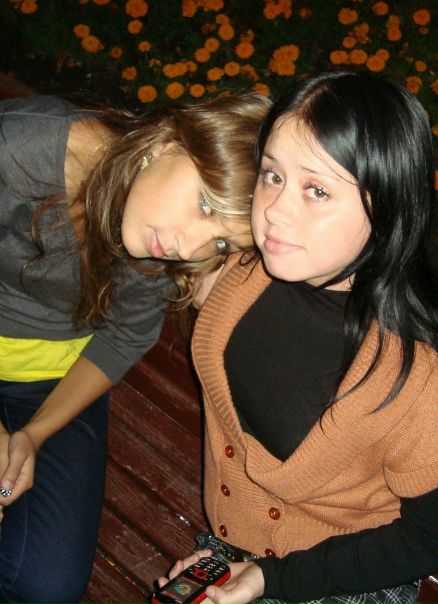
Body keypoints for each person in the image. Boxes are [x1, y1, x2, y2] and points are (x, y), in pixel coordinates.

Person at [159, 70, 438, 604]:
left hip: (345, 575)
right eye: (272, 175)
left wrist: (270, 578)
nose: (275, 209)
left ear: (387, 206)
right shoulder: (241, 273)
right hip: (232, 549)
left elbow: (427, 539)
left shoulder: (414, 384)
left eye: (317, 190)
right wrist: (228, 561)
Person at [0, 90, 270, 604]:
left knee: (46, 586)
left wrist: (32, 436)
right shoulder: (23, 146)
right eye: (206, 204)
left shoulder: (164, 243)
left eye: (221, 242)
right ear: (166, 143)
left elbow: (124, 335)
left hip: (51, 385)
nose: (188, 247)